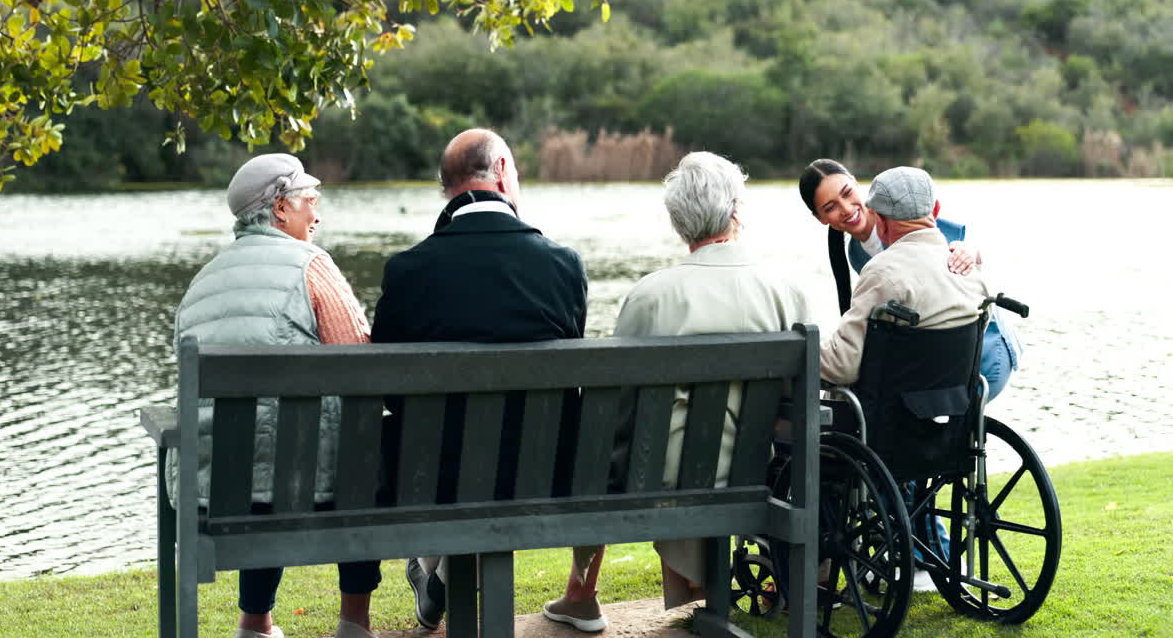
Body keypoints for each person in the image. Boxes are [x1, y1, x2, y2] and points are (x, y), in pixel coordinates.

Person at [541, 152, 811, 632]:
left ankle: (581, 593)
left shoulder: (651, 295)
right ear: (736, 210)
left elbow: (616, 402)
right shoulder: (785, 291)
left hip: (658, 478)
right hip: (757, 472)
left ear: (678, 221)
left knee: (602, 443)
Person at [371, 128, 588, 631]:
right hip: (542, 472)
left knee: (447, 446)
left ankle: (434, 574)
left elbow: (387, 388)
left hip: (432, 476)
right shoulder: (562, 266)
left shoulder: (407, 271)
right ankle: (438, 580)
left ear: (446, 186)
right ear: (503, 171)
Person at [171, 153, 377, 638]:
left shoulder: (201, 281)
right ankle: (354, 621)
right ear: (281, 208)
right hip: (305, 487)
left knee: (260, 448)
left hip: (209, 488)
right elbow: (363, 365)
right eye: (310, 201)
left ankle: (255, 623)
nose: (317, 215)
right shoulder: (313, 266)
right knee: (355, 448)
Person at [799, 159, 1022, 401]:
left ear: (856, 183)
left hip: (981, 353)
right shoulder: (855, 252)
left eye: (847, 193)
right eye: (830, 207)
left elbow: (966, 269)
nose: (845, 208)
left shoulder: (908, 211)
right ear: (820, 218)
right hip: (935, 355)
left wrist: (973, 252)